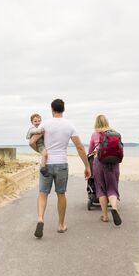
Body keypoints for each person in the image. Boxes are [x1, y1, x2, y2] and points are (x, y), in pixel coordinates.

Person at [30, 99, 91, 238]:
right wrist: (87, 166)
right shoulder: (69, 125)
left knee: (42, 193)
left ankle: (40, 218)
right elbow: (80, 147)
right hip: (62, 164)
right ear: (64, 109)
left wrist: (41, 151)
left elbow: (32, 141)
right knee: (61, 194)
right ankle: (61, 225)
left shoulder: (45, 124)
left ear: (52, 109)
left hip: (47, 164)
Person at [88, 115, 122, 226]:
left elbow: (89, 150)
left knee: (101, 188)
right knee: (112, 187)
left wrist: (94, 152)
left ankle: (105, 216)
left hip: (99, 162)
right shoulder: (115, 133)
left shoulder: (95, 134)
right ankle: (114, 208)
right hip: (114, 162)